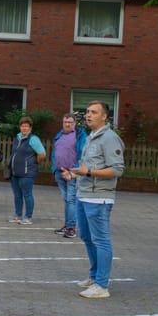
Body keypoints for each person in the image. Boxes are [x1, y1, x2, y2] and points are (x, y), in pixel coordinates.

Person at [65, 101, 125, 299]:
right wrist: (75, 175)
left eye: (93, 112)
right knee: (87, 238)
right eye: (87, 111)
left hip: (99, 198)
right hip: (84, 195)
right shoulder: (91, 137)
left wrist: (88, 172)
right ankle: (93, 277)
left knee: (101, 240)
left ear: (104, 116)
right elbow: (87, 166)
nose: (88, 115)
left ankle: (102, 285)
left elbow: (117, 169)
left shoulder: (110, 138)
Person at [51, 113, 87, 238]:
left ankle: (71, 228)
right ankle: (67, 225)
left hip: (72, 173)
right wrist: (54, 168)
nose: (67, 124)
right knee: (67, 200)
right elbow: (55, 152)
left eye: (70, 122)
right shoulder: (60, 135)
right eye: (65, 122)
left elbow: (83, 154)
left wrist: (74, 171)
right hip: (59, 172)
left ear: (74, 123)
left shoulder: (80, 135)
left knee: (71, 200)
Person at [8, 116, 47, 225]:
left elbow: (42, 154)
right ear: (20, 127)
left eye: (26, 126)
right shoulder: (17, 138)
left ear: (30, 128)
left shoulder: (33, 139)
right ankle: (18, 215)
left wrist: (35, 162)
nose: (24, 128)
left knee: (27, 194)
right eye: (22, 126)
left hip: (27, 173)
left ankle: (28, 217)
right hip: (15, 172)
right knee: (17, 194)